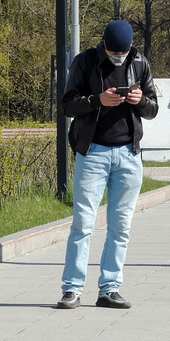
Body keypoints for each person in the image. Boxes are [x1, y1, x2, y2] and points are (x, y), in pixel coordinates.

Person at [57, 20, 159, 310]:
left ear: (130, 48)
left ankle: (110, 288)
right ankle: (72, 289)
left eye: (123, 53)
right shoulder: (86, 62)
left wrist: (140, 101)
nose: (119, 57)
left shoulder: (140, 63)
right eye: (114, 53)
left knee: (121, 226)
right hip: (93, 153)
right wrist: (96, 100)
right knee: (83, 224)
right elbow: (67, 105)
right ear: (104, 46)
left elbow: (153, 109)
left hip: (129, 154)